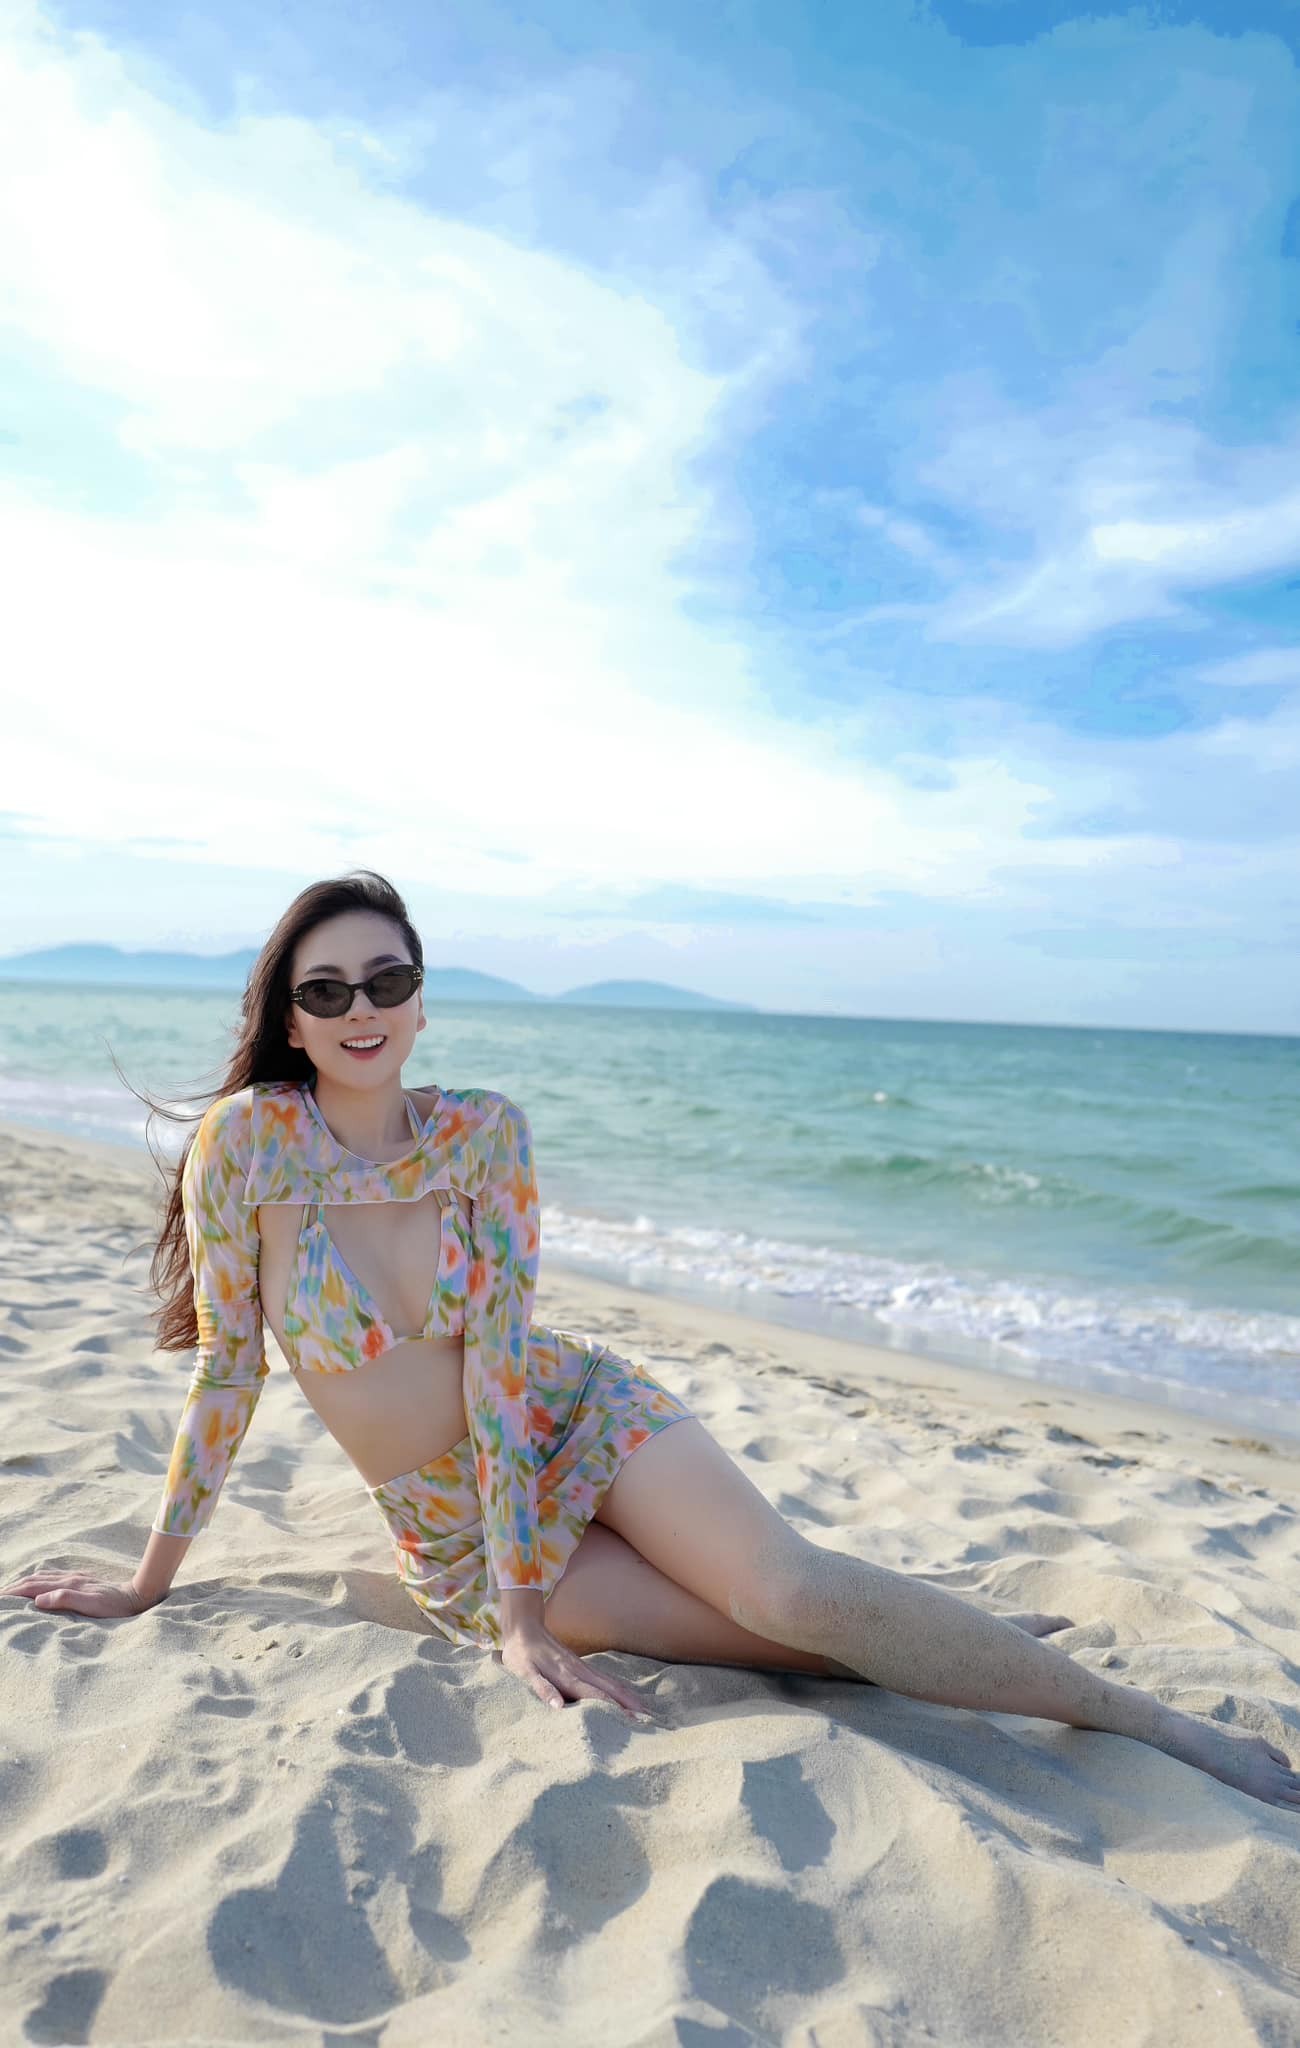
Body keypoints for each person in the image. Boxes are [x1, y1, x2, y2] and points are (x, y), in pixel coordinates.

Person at [5, 872, 1298, 1808]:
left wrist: (526, 1616)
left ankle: (1157, 1727)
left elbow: (500, 1371)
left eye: (387, 980)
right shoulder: (246, 1149)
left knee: (792, 1592)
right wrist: (150, 1584)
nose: (361, 1008)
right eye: (326, 988)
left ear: (421, 1002)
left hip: (576, 1418)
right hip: (452, 1531)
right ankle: (966, 1631)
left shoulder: (483, 1134)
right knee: (799, 1645)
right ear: (290, 1019)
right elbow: (229, 1373)